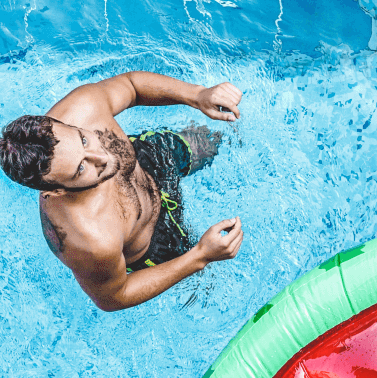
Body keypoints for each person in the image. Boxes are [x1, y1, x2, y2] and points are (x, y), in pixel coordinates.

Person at [0, 71, 246, 311]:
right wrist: (200, 256)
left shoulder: (82, 107)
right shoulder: (89, 240)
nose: (102, 157)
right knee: (211, 281)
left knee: (213, 138)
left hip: (148, 162)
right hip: (155, 242)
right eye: (81, 168)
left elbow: (131, 86)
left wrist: (197, 95)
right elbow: (114, 297)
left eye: (83, 140)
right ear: (55, 192)